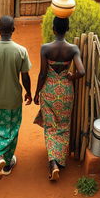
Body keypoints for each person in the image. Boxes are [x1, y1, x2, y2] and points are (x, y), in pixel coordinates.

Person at [0, 15, 32, 181]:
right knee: (12, 129)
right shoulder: (21, 51)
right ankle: (7, 164)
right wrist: (28, 93)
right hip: (14, 100)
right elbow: (25, 76)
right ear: (13, 30)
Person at [34, 16, 85, 181]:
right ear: (67, 29)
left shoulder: (45, 48)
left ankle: (53, 163)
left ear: (53, 29)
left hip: (49, 90)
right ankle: (59, 160)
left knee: (50, 126)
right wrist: (71, 77)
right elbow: (82, 72)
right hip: (65, 91)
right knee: (63, 126)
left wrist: (36, 92)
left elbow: (42, 74)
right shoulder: (73, 49)